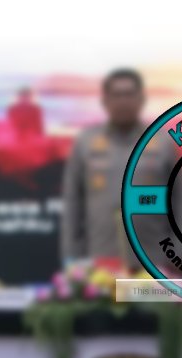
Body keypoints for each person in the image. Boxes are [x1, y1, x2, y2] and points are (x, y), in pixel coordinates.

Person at [60, 68, 151, 266]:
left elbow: (178, 201)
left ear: (141, 99)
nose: (123, 101)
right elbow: (73, 201)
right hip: (100, 257)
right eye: (117, 95)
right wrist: (71, 254)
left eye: (129, 94)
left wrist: (180, 254)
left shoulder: (161, 141)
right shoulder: (86, 142)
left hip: (153, 258)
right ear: (105, 101)